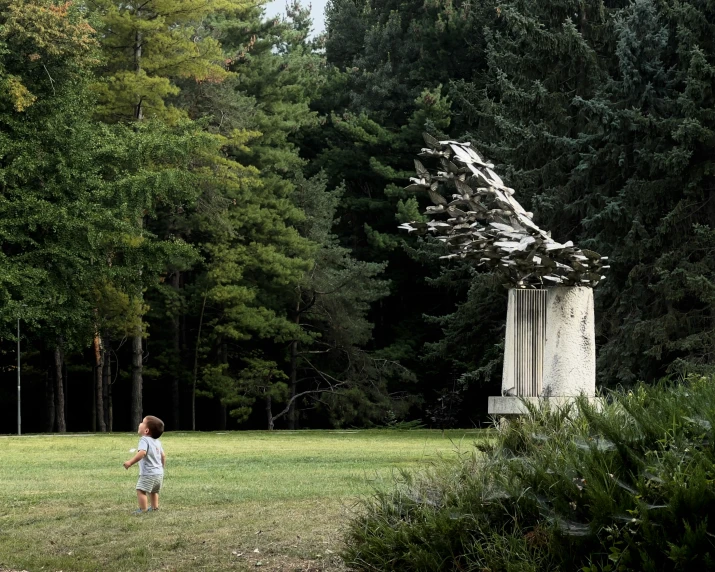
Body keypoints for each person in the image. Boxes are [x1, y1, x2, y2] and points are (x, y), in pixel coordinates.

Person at [123, 415, 166, 514]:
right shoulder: (157, 442)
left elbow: (142, 453)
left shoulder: (144, 440)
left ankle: (143, 509)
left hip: (148, 473)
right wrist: (161, 468)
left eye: (142, 422)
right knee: (154, 491)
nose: (140, 423)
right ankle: (155, 507)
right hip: (159, 473)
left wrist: (130, 462)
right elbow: (163, 456)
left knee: (141, 490)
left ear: (146, 431)